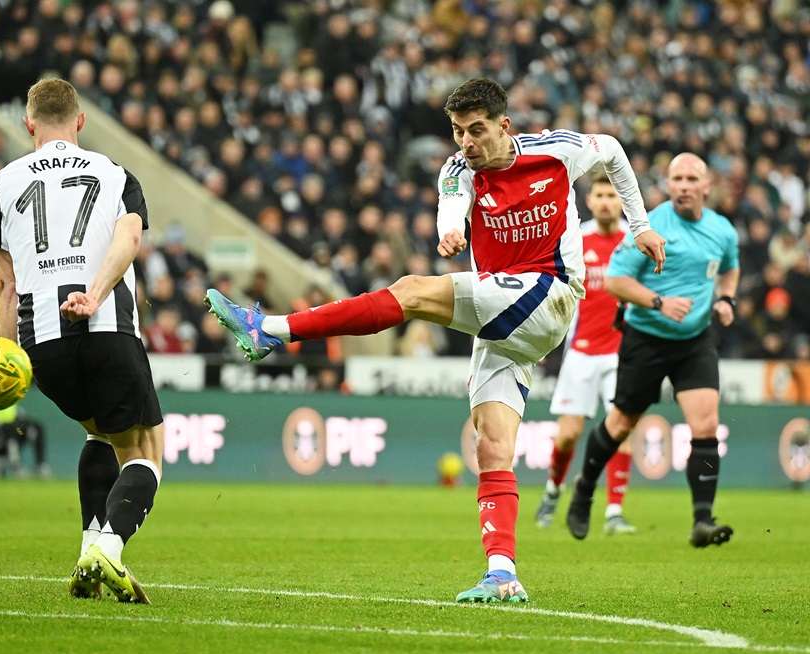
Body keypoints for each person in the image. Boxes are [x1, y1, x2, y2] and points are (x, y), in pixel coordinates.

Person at [205, 78, 664, 603]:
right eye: (457, 131)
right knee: (491, 445)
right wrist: (451, 230)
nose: (466, 142)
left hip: (549, 292)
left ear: (504, 126)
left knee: (410, 292)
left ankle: (271, 329)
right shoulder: (458, 170)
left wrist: (642, 224)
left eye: (476, 130)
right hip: (506, 318)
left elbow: (614, 151)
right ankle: (502, 573)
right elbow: (453, 201)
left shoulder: (556, 152)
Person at [0, 77, 162, 604]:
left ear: (28, 123)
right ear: (81, 121)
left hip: (41, 342)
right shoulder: (114, 173)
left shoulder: (1, 184)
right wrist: (94, 293)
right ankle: (108, 545)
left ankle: (88, 546)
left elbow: (6, 282)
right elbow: (128, 240)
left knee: (98, 435)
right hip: (104, 325)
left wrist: (3, 354)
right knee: (145, 450)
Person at [565, 153, 738, 548]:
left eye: (691, 178)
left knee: (706, 424)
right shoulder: (651, 224)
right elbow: (615, 281)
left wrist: (727, 299)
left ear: (706, 186)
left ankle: (702, 520)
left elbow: (730, 267)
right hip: (645, 337)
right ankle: (585, 490)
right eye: (676, 178)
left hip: (695, 340)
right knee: (621, 424)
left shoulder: (722, 231)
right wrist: (659, 303)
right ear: (668, 184)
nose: (683, 185)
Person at [535, 175, 636, 535]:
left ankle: (614, 511)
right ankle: (551, 491)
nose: (607, 201)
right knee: (568, 435)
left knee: (621, 430)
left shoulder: (635, 241)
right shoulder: (576, 240)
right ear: (589, 201)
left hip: (621, 353)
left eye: (612, 195)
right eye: (600, 195)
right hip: (580, 351)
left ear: (622, 201)